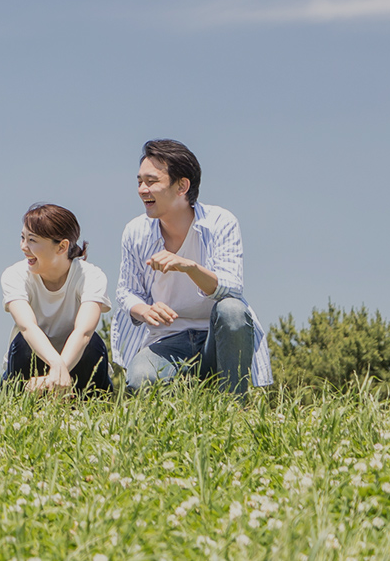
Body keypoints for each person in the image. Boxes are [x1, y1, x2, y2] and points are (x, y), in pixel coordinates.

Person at [113, 139, 271, 393]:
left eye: (151, 181)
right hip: (165, 340)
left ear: (182, 186)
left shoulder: (221, 222)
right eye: (140, 181)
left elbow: (232, 288)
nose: (142, 189)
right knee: (141, 380)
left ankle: (234, 410)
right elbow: (126, 291)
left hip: (216, 340)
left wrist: (189, 267)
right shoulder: (135, 231)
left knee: (232, 310)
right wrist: (144, 311)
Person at [1, 203, 113, 392]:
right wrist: (56, 365)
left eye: (32, 240)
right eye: (22, 238)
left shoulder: (91, 276)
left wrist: (57, 373)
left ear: (62, 246)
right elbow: (27, 327)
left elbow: (84, 332)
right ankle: (23, 400)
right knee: (22, 342)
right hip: (30, 363)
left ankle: (89, 403)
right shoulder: (15, 275)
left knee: (93, 343)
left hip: (79, 365)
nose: (23, 247)